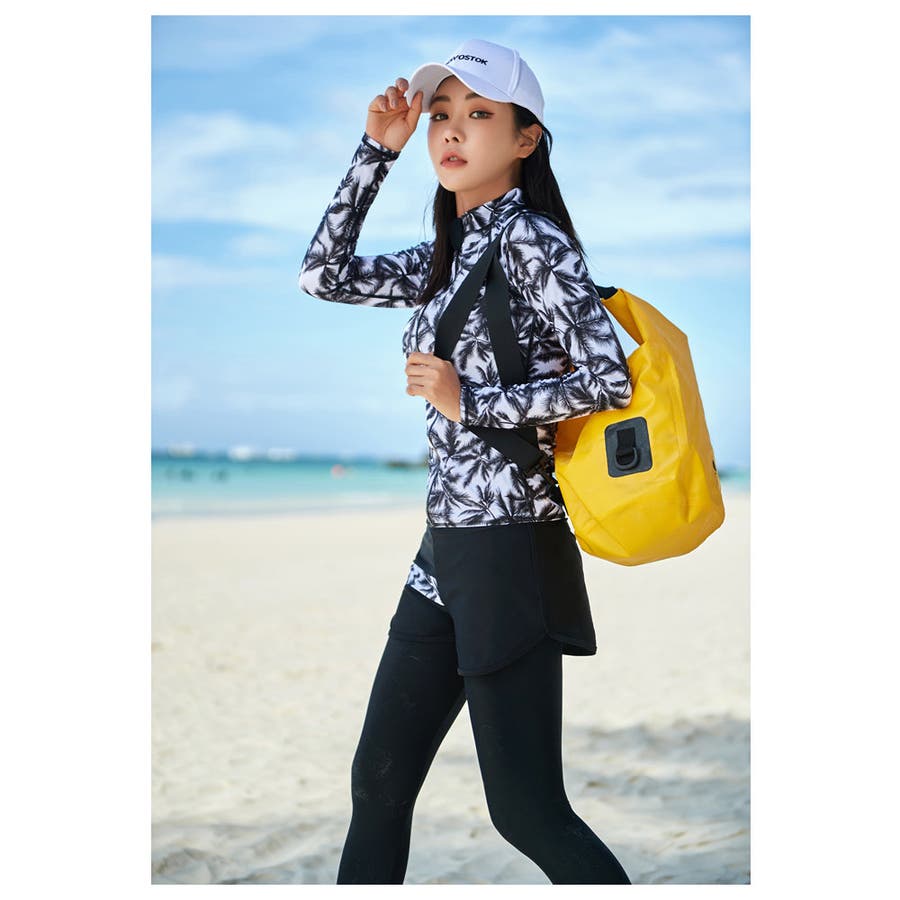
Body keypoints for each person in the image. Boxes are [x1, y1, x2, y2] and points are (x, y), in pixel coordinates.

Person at [298, 37, 634, 885]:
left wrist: (468, 400)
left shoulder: (533, 242)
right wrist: (375, 152)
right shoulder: (446, 255)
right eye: (441, 114)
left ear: (525, 139)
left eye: (478, 114)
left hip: (511, 548)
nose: (450, 131)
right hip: (443, 552)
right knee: (378, 784)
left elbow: (608, 379)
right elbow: (322, 275)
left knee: (527, 811)